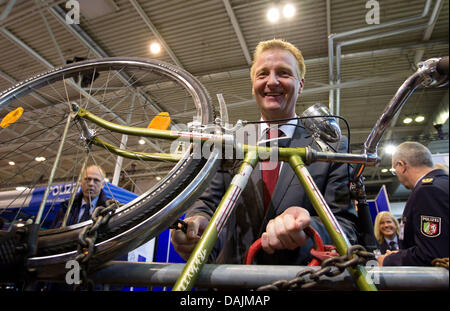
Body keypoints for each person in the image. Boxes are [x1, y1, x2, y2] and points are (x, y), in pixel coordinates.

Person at [171, 39, 359, 265]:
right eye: (262, 74)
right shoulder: (229, 143)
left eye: (283, 73)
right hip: (229, 283)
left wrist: (308, 227)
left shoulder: (331, 146)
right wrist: (197, 223)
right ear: (253, 84)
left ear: (300, 85)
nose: (272, 81)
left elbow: (346, 228)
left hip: (299, 279)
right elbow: (208, 203)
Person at [378, 142, 449, 266]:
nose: (398, 176)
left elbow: (431, 254)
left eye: (395, 171)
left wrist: (390, 259)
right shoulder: (442, 184)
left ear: (401, 165)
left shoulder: (427, 191)